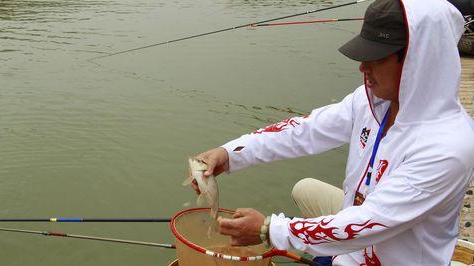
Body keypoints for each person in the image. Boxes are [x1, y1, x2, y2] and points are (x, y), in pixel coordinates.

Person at [191, 0, 474, 265]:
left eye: (376, 58)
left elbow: (370, 221)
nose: (363, 68)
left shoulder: (448, 147)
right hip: (351, 249)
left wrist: (269, 230)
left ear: (417, 59)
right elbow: (305, 131)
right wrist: (231, 153)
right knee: (304, 189)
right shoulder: (370, 100)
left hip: (388, 252)